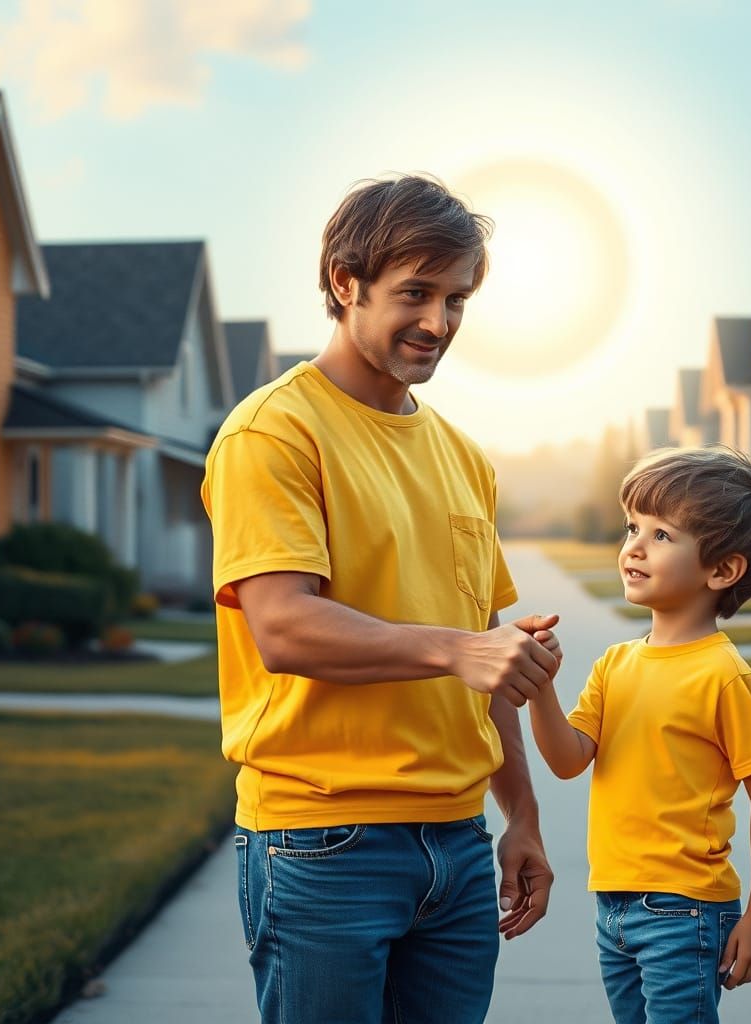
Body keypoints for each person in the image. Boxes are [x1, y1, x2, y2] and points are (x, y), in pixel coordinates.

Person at [201, 174, 561, 1024]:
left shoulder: (464, 457)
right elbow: (285, 628)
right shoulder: (274, 433)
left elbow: (487, 651)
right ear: (343, 283)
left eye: (457, 299)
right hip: (322, 843)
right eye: (415, 293)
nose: (439, 323)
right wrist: (455, 648)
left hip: (459, 846)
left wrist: (524, 815)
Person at [526, 445, 751, 1024]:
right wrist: (541, 687)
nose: (634, 547)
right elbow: (568, 760)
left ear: (721, 570)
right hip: (614, 903)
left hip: (686, 907)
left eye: (663, 535)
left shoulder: (723, 676)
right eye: (632, 528)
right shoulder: (615, 663)